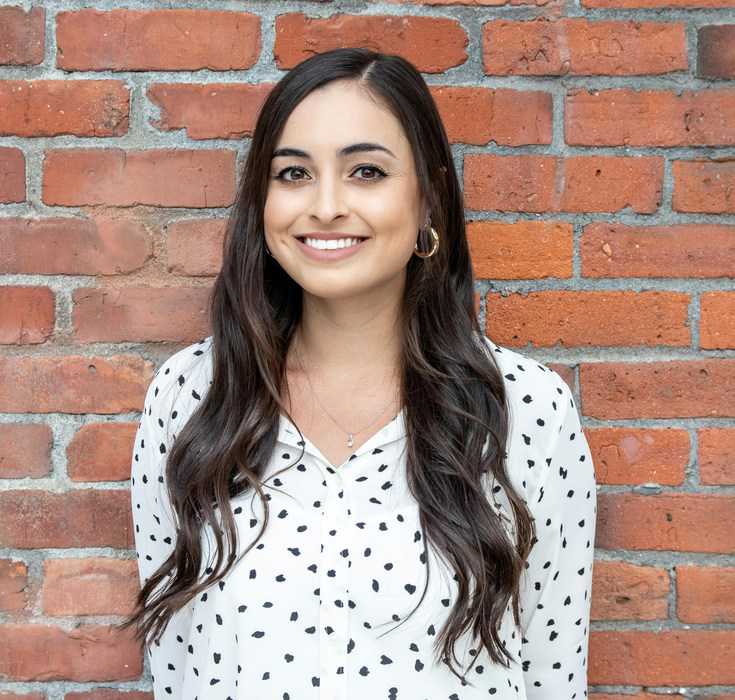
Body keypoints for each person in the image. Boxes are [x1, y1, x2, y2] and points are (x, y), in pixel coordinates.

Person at [117, 47, 597, 700]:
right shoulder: (193, 397)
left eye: (365, 171)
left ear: (427, 197)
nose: (325, 206)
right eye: (292, 174)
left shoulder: (526, 410)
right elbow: (177, 669)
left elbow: (552, 672)